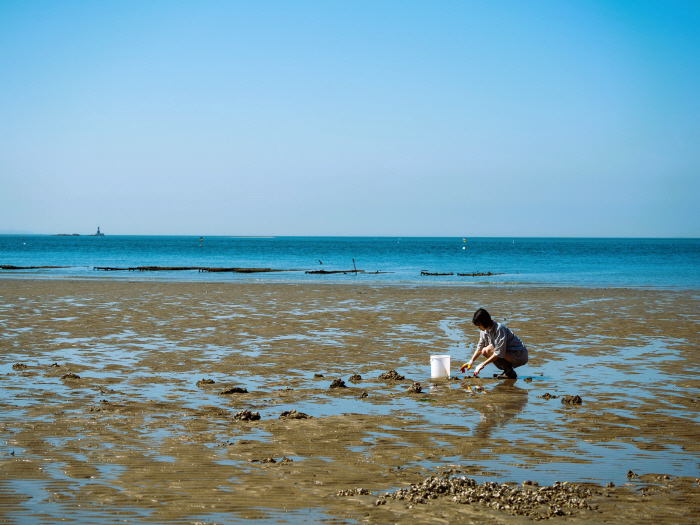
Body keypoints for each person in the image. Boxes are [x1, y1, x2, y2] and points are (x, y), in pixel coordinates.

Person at [460, 308, 528, 379]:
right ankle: (507, 371)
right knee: (484, 351)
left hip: (519, 354)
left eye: (479, 324)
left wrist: (482, 365)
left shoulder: (499, 329)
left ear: (485, 322)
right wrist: (471, 361)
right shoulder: (484, 331)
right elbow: (480, 348)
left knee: (489, 349)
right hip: (506, 353)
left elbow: (499, 353)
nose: (478, 327)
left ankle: (509, 371)